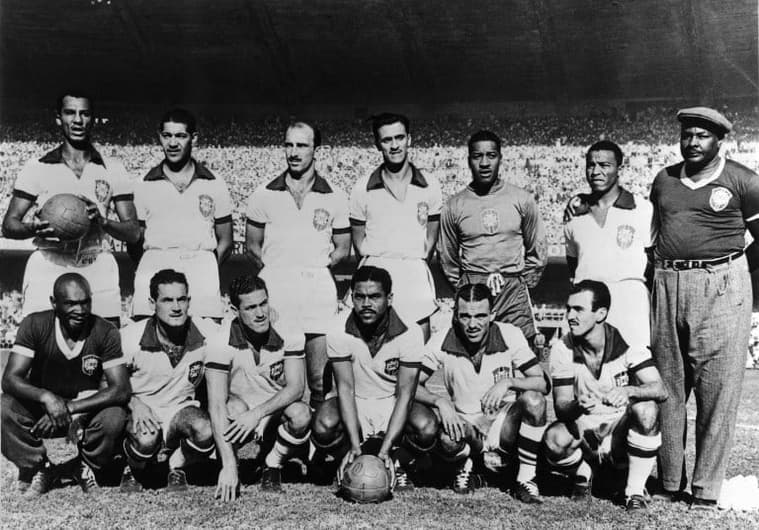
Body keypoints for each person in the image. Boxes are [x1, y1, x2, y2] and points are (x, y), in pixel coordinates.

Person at [649, 107, 759, 509]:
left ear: (719, 140)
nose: (692, 143)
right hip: (667, 281)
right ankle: (669, 481)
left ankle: (705, 488)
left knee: (717, 393)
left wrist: (732, 273)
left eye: (702, 136)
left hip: (721, 284)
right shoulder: (664, 181)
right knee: (668, 389)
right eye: (687, 135)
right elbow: (656, 235)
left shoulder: (743, 180)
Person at [1, 90, 140, 328]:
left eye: (84, 114)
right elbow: (9, 225)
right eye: (70, 113)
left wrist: (104, 221)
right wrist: (33, 228)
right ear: (58, 118)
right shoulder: (37, 167)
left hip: (96, 262)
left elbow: (134, 232)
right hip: (49, 262)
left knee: (106, 345)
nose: (77, 120)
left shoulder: (113, 168)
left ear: (93, 119)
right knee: (39, 344)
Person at [245, 121, 351, 407]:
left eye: (301, 145)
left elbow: (342, 248)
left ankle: (317, 444)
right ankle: (284, 438)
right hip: (278, 289)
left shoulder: (335, 196)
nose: (294, 152)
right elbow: (252, 246)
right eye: (289, 144)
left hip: (317, 290)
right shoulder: (263, 194)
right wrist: (276, 271)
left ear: (317, 149)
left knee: (319, 377)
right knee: (280, 374)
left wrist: (314, 268)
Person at [416, 283, 549, 501]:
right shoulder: (443, 338)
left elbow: (542, 383)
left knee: (534, 401)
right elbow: (409, 386)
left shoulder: (510, 334)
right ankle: (468, 464)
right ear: (456, 316)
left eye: (480, 316)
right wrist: (440, 401)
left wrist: (508, 382)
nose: (472, 324)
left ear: (492, 315)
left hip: (503, 423)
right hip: (466, 424)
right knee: (448, 441)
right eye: (465, 316)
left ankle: (525, 479)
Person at [1, 273, 130, 496]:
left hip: (84, 409)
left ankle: (83, 465)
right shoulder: (35, 324)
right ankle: (39, 467)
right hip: (42, 411)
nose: (79, 310)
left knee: (115, 416)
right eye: (70, 303)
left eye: (85, 302)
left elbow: (121, 389)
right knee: (3, 408)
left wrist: (70, 408)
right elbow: (10, 378)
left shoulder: (105, 331)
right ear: (54, 303)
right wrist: (47, 398)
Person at [310, 266, 438, 491]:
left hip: (391, 400)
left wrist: (386, 450)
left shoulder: (410, 332)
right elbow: (346, 389)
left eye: (375, 296)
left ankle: (398, 462)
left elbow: (406, 395)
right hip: (356, 401)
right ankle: (350, 459)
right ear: (351, 298)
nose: (366, 304)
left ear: (389, 298)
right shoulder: (338, 328)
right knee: (322, 424)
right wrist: (352, 444)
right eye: (360, 297)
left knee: (426, 427)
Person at [545, 281, 666, 512]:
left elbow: (660, 389)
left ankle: (634, 491)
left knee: (647, 409)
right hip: (585, 435)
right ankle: (583, 469)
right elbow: (561, 407)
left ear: (601, 313)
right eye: (568, 309)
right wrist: (577, 405)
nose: (570, 316)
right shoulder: (563, 347)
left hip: (618, 433)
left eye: (578, 309)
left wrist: (628, 390)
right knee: (553, 438)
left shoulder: (627, 343)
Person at [205, 275, 311, 501]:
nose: (260, 313)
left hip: (272, 410)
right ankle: (231, 464)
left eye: (263, 303)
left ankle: (272, 465)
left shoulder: (289, 330)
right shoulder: (218, 341)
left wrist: (258, 413)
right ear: (234, 310)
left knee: (301, 415)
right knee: (231, 408)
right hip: (239, 413)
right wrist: (229, 466)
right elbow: (215, 404)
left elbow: (296, 387)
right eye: (251, 307)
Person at [438, 130, 546, 348]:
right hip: (473, 288)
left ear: (500, 158)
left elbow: (538, 251)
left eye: (491, 155)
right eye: (478, 156)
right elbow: (447, 257)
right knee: (469, 358)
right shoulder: (454, 205)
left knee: (522, 355)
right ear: (469, 160)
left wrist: (519, 282)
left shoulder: (522, 199)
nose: (485, 163)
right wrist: (466, 285)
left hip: (512, 288)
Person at [119, 269, 219, 493]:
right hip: (142, 410)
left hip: (179, 410)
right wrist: (135, 404)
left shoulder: (206, 333)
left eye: (181, 299)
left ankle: (176, 465)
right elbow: (108, 384)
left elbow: (238, 331)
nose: (176, 307)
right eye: (167, 300)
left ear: (189, 301)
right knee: (146, 440)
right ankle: (132, 467)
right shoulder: (130, 338)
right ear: (152, 303)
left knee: (206, 430)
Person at [132, 108, 233, 321]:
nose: (173, 143)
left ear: (193, 138)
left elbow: (226, 240)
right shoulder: (143, 183)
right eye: (167, 135)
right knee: (147, 345)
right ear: (160, 137)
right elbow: (135, 239)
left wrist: (205, 266)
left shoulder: (215, 183)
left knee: (206, 344)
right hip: (155, 267)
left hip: (200, 269)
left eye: (180, 136)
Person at [349, 113, 442, 341]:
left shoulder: (430, 185)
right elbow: (359, 242)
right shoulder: (362, 188)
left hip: (413, 273)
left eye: (399, 138)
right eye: (386, 140)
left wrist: (414, 262)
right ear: (377, 144)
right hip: (377, 270)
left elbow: (431, 238)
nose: (394, 145)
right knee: (373, 348)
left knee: (417, 350)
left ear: (409, 139)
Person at [563, 140, 653, 346]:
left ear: (618, 169)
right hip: (588, 306)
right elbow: (573, 263)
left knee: (635, 372)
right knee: (588, 371)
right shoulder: (574, 213)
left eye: (604, 165)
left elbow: (653, 263)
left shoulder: (642, 209)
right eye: (591, 165)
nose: (596, 171)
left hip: (630, 307)